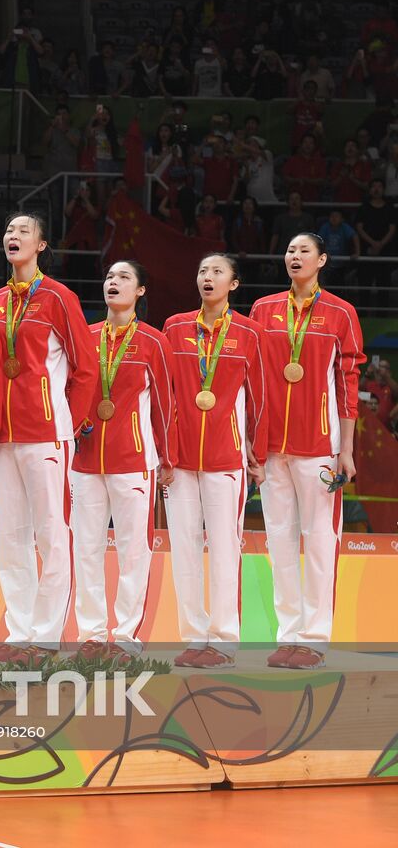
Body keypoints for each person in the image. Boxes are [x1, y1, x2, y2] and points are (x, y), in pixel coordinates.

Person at [0, 213, 94, 665]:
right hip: (2, 437)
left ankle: (46, 637)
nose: (13, 236)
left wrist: (70, 419)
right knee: (11, 535)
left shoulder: (59, 298)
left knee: (51, 533)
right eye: (8, 231)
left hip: (46, 433)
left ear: (42, 244)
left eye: (23, 231)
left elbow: (85, 367)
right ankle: (19, 630)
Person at [251, 234, 364, 670]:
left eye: (304, 252)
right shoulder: (264, 310)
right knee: (279, 541)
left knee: (319, 543)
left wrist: (347, 450)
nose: (295, 257)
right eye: (290, 251)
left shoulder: (341, 313)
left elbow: (348, 385)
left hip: (321, 445)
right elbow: (254, 379)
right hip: (274, 446)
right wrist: (253, 444)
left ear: (322, 260)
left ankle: (315, 637)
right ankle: (288, 635)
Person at [163, 253, 267, 670]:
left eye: (217, 272)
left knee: (225, 549)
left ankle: (223, 640)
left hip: (226, 459)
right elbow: (164, 394)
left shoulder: (250, 333)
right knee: (184, 550)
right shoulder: (174, 327)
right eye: (203, 271)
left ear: (234, 284)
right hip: (181, 460)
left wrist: (256, 454)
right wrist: (162, 453)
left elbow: (260, 398)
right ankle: (193, 636)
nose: (208, 277)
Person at [69, 262, 175, 665]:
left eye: (124, 278)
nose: (113, 283)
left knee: (134, 550)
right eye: (110, 277)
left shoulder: (153, 341)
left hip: (134, 460)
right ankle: (92, 634)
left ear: (141, 291)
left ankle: (127, 634)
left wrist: (168, 455)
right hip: (85, 459)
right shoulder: (86, 336)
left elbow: (165, 403)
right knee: (87, 548)